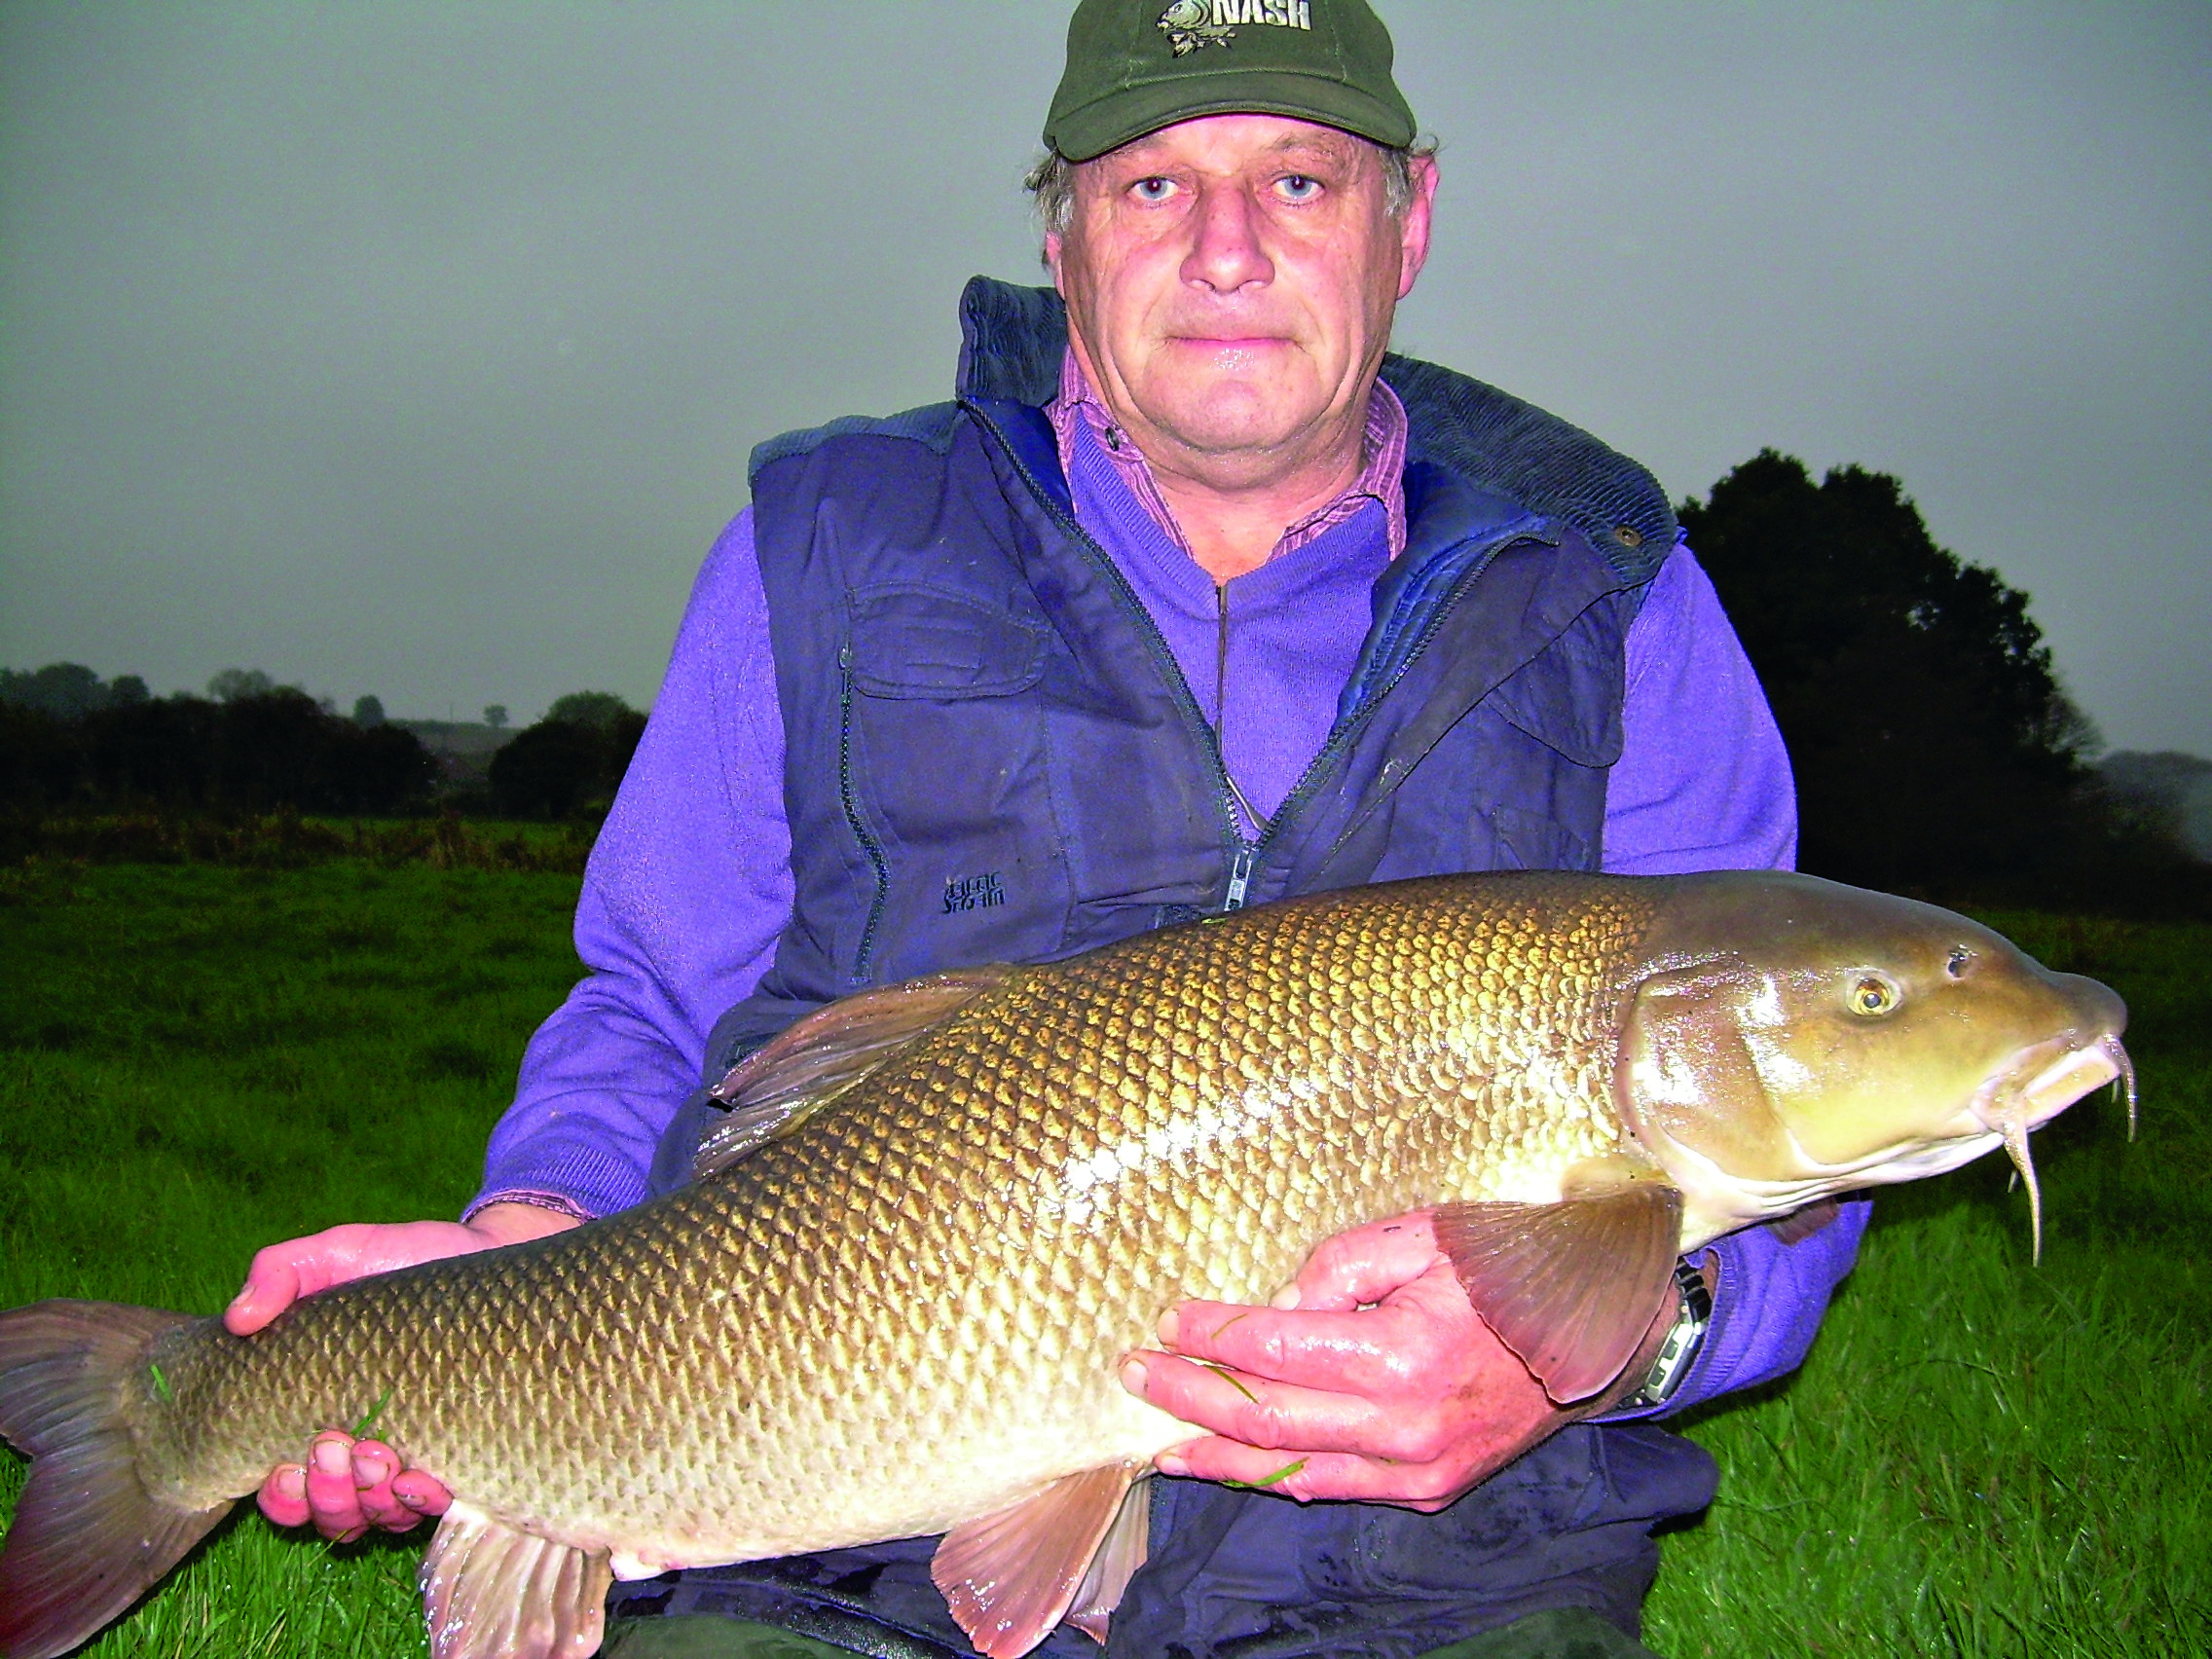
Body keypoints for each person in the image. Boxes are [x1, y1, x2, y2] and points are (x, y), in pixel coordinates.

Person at [226, 3, 1867, 1655]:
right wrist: (525, 1246)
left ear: (1409, 220)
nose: (1227, 248)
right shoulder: (829, 543)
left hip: (1435, 1570)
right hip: (836, 1547)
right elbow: (655, 1005)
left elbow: (1794, 1149)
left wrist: (1602, 1346)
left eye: (1300, 181)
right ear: (1060, 232)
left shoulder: (1612, 594)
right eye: (1153, 185)